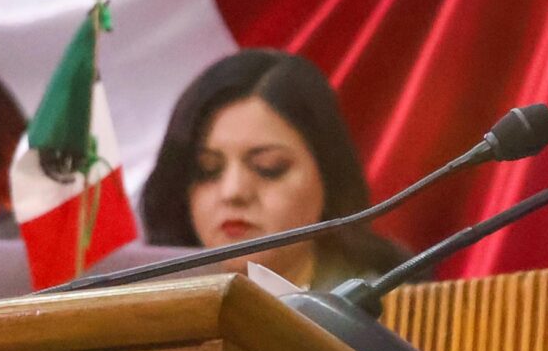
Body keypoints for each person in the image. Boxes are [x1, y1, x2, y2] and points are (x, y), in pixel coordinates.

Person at [138, 49, 407, 291]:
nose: (233, 191)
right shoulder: (140, 313)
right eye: (207, 170)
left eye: (269, 167)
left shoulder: (390, 314)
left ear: (328, 178)